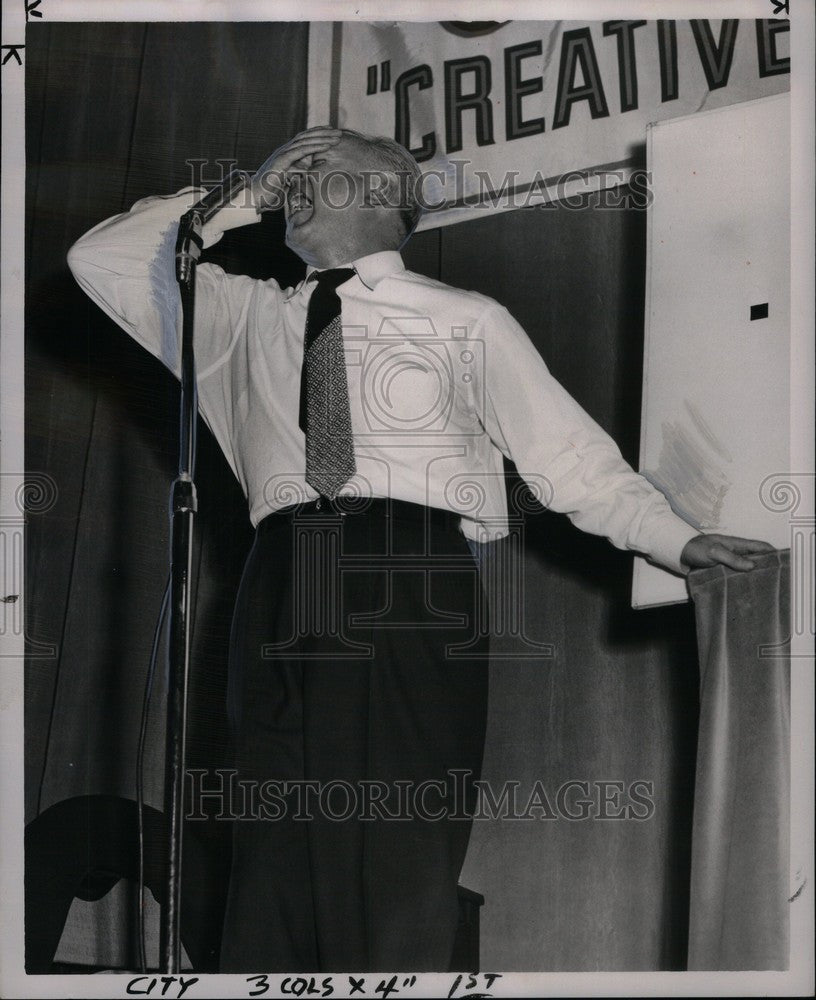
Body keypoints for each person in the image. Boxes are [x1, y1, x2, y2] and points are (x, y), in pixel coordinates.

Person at [67, 126, 773, 972]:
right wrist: (244, 197)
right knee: (272, 845)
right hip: (277, 574)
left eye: (316, 168)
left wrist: (678, 540)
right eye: (289, 173)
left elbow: (571, 460)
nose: (293, 180)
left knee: (394, 846)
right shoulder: (235, 315)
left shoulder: (463, 318)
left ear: (380, 195)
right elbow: (101, 261)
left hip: (406, 569)